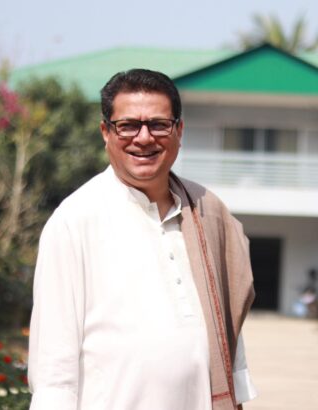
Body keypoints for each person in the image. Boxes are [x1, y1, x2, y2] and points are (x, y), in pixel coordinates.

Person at [27, 69, 257, 410]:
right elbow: (53, 366)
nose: (144, 138)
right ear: (106, 132)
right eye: (128, 125)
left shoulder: (208, 212)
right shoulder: (75, 220)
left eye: (159, 124)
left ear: (179, 130)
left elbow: (227, 329)